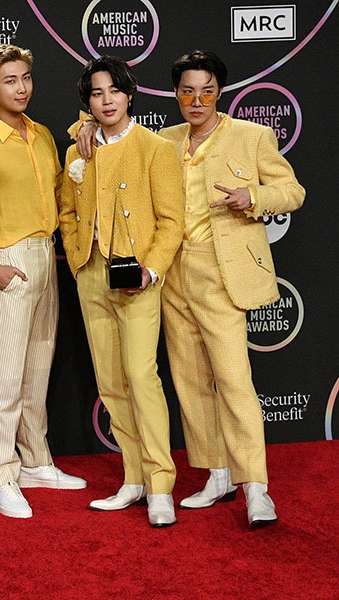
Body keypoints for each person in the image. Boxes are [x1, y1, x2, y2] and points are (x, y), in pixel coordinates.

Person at [159, 51, 304, 528]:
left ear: (219, 90)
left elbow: (293, 191)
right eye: (187, 90)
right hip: (171, 272)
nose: (196, 100)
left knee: (235, 381)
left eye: (206, 89)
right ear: (176, 93)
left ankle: (256, 488)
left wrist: (255, 197)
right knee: (190, 379)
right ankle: (217, 475)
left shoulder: (252, 135)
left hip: (221, 272)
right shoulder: (164, 139)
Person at [0, 44, 86, 520]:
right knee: (6, 376)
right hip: (6, 259)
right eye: (10, 80)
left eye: (25, 77)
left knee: (38, 366)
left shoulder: (43, 135)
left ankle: (37, 462)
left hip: (46, 254)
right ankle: (2, 477)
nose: (21, 87)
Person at [58, 56, 184, 527]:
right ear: (87, 102)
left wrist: (151, 271)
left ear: (130, 95)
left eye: (114, 91)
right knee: (110, 382)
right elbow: (67, 212)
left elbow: (172, 220)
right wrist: (76, 258)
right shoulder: (79, 150)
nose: (106, 100)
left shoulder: (154, 148)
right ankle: (132, 479)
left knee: (140, 375)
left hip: (138, 279)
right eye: (96, 93)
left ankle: (160, 484)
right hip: (91, 274)